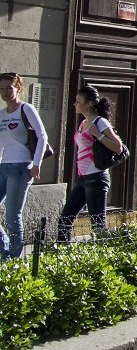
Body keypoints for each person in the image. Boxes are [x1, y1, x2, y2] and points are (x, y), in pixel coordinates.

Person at [57, 85, 127, 242]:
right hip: (83, 179)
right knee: (64, 220)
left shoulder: (100, 122)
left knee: (98, 225)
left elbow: (118, 147)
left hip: (97, 178)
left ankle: (105, 257)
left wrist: (98, 135)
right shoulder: (83, 123)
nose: (74, 104)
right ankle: (62, 257)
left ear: (89, 104)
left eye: (77, 101)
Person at [0, 73, 49, 259]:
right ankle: (4, 249)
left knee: (12, 216)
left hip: (21, 167)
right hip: (4, 166)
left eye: (9, 88)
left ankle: (14, 259)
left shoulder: (26, 109)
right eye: (1, 88)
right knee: (9, 217)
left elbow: (42, 136)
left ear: (18, 88)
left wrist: (36, 164)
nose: (5, 92)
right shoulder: (2, 115)